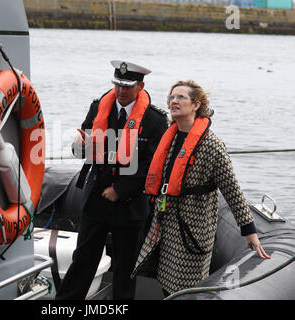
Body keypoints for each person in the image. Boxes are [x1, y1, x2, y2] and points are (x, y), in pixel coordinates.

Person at [132, 79, 270, 297]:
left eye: (181, 97)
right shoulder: (171, 136)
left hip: (192, 231)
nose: (173, 101)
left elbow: (232, 191)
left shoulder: (212, 145)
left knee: (187, 289)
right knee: (164, 284)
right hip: (165, 227)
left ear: (196, 105)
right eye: (171, 97)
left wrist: (250, 231)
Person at [55, 60, 168, 300]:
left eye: (127, 86)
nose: (121, 91)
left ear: (141, 86)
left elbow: (153, 165)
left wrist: (120, 189)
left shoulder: (155, 120)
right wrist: (78, 147)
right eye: (117, 85)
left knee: (125, 270)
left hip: (130, 204)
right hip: (96, 198)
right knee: (83, 260)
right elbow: (83, 148)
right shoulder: (98, 108)